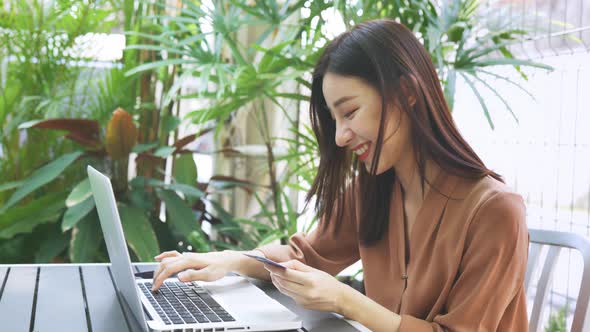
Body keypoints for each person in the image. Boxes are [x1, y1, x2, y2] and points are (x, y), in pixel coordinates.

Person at [151, 19, 529, 332]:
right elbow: (305, 256)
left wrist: (346, 300)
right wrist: (228, 260)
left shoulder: (495, 211)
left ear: (407, 93)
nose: (339, 136)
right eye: (334, 120)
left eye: (349, 112)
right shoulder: (374, 188)